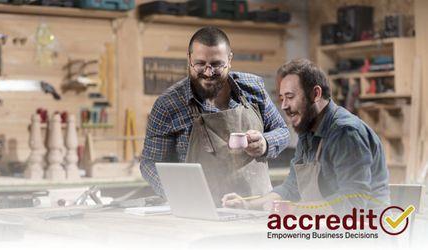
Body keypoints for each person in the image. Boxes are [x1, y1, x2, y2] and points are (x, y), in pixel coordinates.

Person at [140, 26, 290, 203]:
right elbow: (150, 164)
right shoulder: (169, 105)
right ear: (189, 59)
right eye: (200, 64)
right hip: (201, 212)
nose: (208, 72)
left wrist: (265, 143)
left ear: (230, 59)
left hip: (256, 207)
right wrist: (177, 194)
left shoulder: (253, 89)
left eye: (217, 64)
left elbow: (282, 131)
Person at [222, 59, 390, 214]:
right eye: (282, 98)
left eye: (290, 97)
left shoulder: (345, 133)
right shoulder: (308, 130)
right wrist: (248, 205)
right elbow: (291, 188)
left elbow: (354, 204)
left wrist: (294, 210)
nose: (284, 106)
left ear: (315, 94)